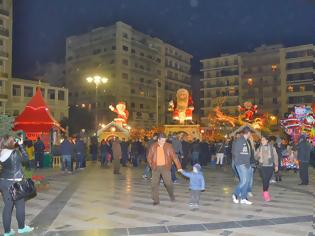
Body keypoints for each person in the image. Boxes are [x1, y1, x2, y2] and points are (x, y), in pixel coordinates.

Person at [0, 135, 34, 235]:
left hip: (3, 182)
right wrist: (21, 145)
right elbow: (26, 160)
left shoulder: (1, 152)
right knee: (20, 205)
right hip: (15, 183)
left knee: (7, 207)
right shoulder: (14, 152)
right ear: (11, 142)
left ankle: (7, 232)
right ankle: (21, 228)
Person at [147, 133, 182, 205]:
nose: (164, 142)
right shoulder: (153, 146)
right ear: (158, 140)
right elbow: (149, 157)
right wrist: (151, 165)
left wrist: (179, 167)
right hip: (155, 167)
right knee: (154, 184)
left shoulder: (169, 146)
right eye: (162, 140)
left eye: (165, 140)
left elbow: (174, 157)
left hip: (165, 167)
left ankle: (171, 195)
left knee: (168, 183)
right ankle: (156, 200)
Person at [232, 127, 253, 205]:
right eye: (250, 133)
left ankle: (244, 198)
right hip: (241, 164)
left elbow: (247, 152)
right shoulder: (240, 141)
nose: (250, 134)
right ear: (248, 133)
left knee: (247, 181)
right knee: (244, 180)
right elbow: (236, 153)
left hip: (247, 163)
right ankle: (235, 194)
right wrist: (240, 163)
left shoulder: (245, 140)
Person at [255, 136, 278, 201]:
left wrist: (276, 165)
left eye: (263, 140)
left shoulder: (272, 147)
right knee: (265, 180)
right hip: (262, 166)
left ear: (267, 140)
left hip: (270, 166)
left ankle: (265, 190)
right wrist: (258, 155)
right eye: (261, 140)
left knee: (267, 180)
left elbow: (275, 156)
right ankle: (265, 193)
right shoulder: (259, 148)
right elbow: (255, 157)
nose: (262, 141)